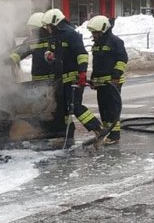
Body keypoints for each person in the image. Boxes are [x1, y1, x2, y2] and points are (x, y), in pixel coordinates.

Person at [41, 8, 107, 142]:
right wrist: (49, 55)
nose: (47, 28)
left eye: (48, 25)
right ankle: (68, 135)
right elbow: (49, 51)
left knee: (75, 106)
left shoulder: (71, 35)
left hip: (74, 78)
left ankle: (98, 129)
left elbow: (82, 54)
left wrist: (82, 72)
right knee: (63, 109)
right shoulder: (55, 36)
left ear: (55, 23)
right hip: (61, 80)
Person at [87, 15, 128, 144]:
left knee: (112, 109)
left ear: (103, 30)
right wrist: (94, 79)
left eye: (96, 32)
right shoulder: (97, 44)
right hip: (101, 83)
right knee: (103, 109)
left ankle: (115, 136)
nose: (94, 35)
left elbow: (122, 59)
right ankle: (106, 132)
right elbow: (96, 64)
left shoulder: (115, 42)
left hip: (112, 83)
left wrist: (116, 76)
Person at [8, 12, 56, 81]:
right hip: (54, 76)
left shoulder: (31, 40)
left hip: (38, 77)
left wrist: (6, 60)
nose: (29, 29)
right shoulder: (54, 37)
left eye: (31, 27)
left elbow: (19, 54)